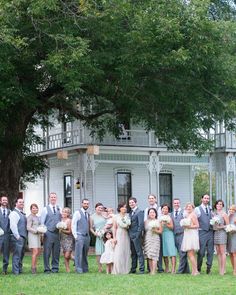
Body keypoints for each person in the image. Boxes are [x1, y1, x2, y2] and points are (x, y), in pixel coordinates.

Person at [41, 192, 61, 274]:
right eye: (52, 197)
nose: (53, 198)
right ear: (49, 198)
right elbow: (42, 222)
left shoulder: (59, 208)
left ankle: (55, 268)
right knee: (47, 252)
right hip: (48, 233)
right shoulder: (45, 209)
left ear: (56, 198)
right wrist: (43, 233)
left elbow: (61, 220)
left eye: (54, 197)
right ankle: (47, 269)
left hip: (57, 233)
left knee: (56, 252)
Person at [144, 194, 164, 273]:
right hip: (148, 238)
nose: (152, 214)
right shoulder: (146, 222)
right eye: (150, 213)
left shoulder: (158, 221)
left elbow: (160, 231)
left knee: (154, 254)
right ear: (148, 214)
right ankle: (151, 270)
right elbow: (145, 230)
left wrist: (154, 230)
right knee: (149, 254)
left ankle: (154, 271)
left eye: (153, 213)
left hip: (155, 238)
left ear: (155, 214)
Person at [195, 194, 214, 274]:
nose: (206, 200)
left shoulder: (210, 208)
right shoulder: (197, 209)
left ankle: (208, 268)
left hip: (210, 232)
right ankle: (198, 268)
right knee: (201, 252)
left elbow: (212, 218)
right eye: (205, 198)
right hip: (201, 232)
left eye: (208, 198)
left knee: (210, 251)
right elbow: (194, 219)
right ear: (202, 199)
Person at [171, 198, 190, 274]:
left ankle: (180, 270)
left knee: (182, 252)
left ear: (179, 203)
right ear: (173, 204)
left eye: (177, 203)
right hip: (174, 235)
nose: (176, 204)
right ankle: (187, 270)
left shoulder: (184, 213)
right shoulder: (171, 214)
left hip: (182, 234)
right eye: (175, 203)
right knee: (180, 252)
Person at [9, 197, 27, 275]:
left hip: (23, 237)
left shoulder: (22, 213)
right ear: (16, 203)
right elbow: (13, 225)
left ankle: (19, 269)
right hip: (18, 237)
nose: (21, 203)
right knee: (17, 254)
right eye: (20, 202)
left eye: (22, 202)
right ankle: (15, 271)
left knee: (21, 254)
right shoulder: (14, 213)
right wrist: (17, 236)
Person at [72, 198, 90, 273]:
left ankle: (85, 268)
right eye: (84, 203)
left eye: (87, 204)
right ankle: (78, 269)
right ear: (82, 204)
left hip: (86, 236)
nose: (86, 205)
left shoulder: (88, 214)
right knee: (78, 253)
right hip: (79, 235)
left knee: (85, 253)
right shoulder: (77, 213)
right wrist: (75, 236)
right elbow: (73, 224)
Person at [181, 203, 200, 276]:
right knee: (191, 254)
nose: (188, 208)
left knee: (190, 253)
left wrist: (189, 227)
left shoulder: (193, 215)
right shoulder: (187, 215)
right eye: (187, 207)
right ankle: (195, 270)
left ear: (193, 208)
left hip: (191, 234)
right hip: (187, 234)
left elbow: (197, 225)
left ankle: (195, 271)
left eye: (190, 207)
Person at [112, 202, 131, 274]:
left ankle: (125, 269)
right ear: (120, 208)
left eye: (125, 207)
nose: (124, 208)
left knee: (125, 251)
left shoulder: (127, 216)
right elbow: (114, 228)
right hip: (119, 234)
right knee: (118, 252)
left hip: (126, 234)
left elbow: (129, 225)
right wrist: (114, 238)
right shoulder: (116, 217)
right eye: (123, 207)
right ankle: (118, 269)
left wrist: (127, 225)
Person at [128, 197, 145, 274]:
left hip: (136, 236)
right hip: (130, 236)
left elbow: (141, 225)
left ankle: (141, 269)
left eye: (132, 202)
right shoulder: (130, 213)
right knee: (133, 253)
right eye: (130, 203)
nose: (131, 204)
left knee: (139, 253)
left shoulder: (139, 212)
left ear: (136, 203)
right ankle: (133, 268)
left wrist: (137, 235)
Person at [213, 200, 229, 275]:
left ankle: (223, 269)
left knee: (223, 252)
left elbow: (228, 225)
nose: (219, 205)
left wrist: (221, 226)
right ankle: (220, 269)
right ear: (215, 205)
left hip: (222, 233)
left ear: (222, 206)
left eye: (220, 204)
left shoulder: (224, 214)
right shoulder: (214, 214)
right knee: (218, 252)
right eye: (217, 204)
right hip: (215, 233)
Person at [90, 203, 107, 272]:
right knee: (98, 253)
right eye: (99, 208)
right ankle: (100, 268)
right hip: (98, 236)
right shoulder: (92, 217)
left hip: (106, 235)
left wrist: (105, 231)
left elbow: (109, 222)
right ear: (95, 208)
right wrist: (95, 234)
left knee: (107, 251)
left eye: (101, 208)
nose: (100, 209)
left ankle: (108, 267)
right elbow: (91, 228)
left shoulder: (105, 215)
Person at [160, 204, 176, 273]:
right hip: (162, 234)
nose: (164, 210)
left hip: (169, 234)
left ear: (168, 210)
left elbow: (172, 227)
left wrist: (166, 223)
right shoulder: (160, 217)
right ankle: (167, 268)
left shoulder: (169, 217)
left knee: (172, 252)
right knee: (165, 252)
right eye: (163, 208)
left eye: (166, 209)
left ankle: (173, 269)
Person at [27, 203, 41, 274]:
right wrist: (36, 231)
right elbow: (28, 227)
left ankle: (35, 266)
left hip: (38, 236)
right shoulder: (30, 217)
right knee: (35, 251)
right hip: (32, 235)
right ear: (31, 209)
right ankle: (33, 268)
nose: (35, 209)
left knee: (38, 252)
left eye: (36, 208)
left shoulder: (37, 217)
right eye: (33, 208)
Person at [60, 207, 74, 273]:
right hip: (62, 239)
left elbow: (70, 231)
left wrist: (62, 230)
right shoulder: (60, 220)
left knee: (67, 255)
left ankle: (76, 260)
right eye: (63, 211)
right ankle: (67, 269)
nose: (64, 213)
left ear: (68, 214)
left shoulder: (69, 220)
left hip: (69, 239)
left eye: (65, 212)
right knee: (65, 255)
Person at [0, 195, 11, 274]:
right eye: (3, 200)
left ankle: (5, 270)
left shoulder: (10, 212)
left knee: (6, 253)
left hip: (7, 236)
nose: (4, 201)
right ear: (0, 201)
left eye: (6, 200)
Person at [227, 205, 236, 275]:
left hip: (234, 236)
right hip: (229, 236)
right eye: (230, 209)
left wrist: (234, 229)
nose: (231, 210)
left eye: (233, 209)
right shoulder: (228, 216)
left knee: (234, 253)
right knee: (230, 253)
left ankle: (235, 271)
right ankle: (233, 268)